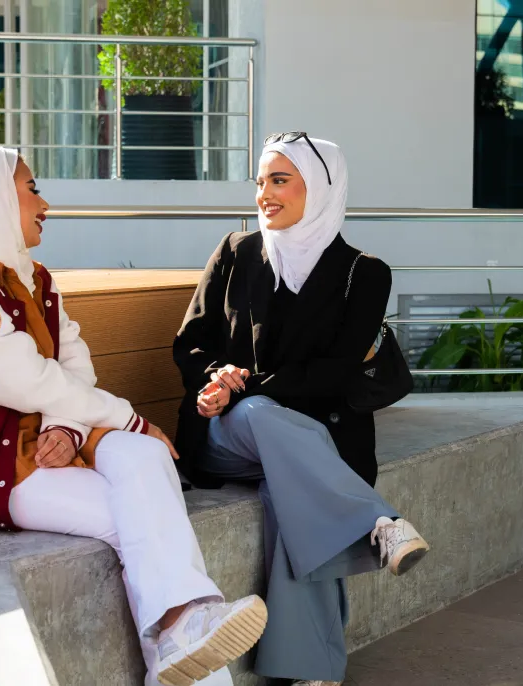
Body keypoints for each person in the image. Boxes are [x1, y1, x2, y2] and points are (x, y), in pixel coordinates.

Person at [0, 147, 268, 686]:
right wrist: (127, 418)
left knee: (143, 464)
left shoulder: (33, 278)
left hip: (46, 438)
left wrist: (68, 427)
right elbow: (29, 381)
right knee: (142, 516)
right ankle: (181, 635)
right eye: (31, 188)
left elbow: (73, 363)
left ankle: (181, 632)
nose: (44, 202)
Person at [172, 133, 430, 686]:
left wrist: (248, 384)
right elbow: (190, 342)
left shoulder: (365, 273)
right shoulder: (237, 252)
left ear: (323, 187)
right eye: (261, 180)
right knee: (263, 417)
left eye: (280, 180)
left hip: (320, 440)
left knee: (291, 491)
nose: (264, 193)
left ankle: (311, 670)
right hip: (228, 431)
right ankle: (377, 520)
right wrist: (218, 379)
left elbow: (335, 373)